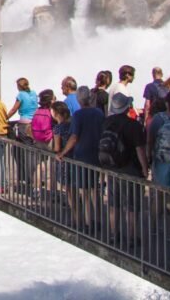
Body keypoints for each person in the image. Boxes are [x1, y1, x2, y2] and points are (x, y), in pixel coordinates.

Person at [100, 93, 150, 248]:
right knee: (132, 207)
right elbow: (140, 149)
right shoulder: (134, 125)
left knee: (114, 204)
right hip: (131, 170)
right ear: (128, 107)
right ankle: (131, 238)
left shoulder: (107, 122)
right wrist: (144, 168)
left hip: (112, 167)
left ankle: (115, 235)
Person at [57, 87, 104, 232]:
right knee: (94, 190)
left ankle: (88, 224)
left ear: (79, 99)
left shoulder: (78, 115)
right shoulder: (99, 113)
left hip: (82, 155)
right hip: (96, 153)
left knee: (85, 190)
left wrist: (63, 152)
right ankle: (98, 220)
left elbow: (74, 137)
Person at [7, 78, 39, 143]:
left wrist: (5, 118)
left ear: (19, 86)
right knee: (33, 143)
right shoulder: (33, 93)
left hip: (25, 123)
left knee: (25, 143)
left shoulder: (21, 94)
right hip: (35, 122)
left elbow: (13, 110)